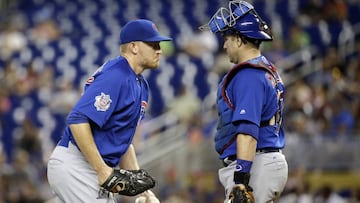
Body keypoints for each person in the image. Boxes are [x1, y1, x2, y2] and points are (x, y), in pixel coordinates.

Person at [47, 19, 172, 203]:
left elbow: (123, 142)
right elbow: (77, 119)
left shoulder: (140, 84)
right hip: (77, 164)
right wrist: (101, 170)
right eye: (153, 44)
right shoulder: (116, 75)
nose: (159, 49)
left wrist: (144, 192)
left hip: (91, 167)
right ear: (134, 47)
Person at [199, 1, 288, 202]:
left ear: (239, 40)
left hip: (256, 164)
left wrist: (241, 177)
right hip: (262, 161)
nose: (224, 45)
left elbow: (248, 129)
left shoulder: (249, 74)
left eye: (227, 39)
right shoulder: (265, 68)